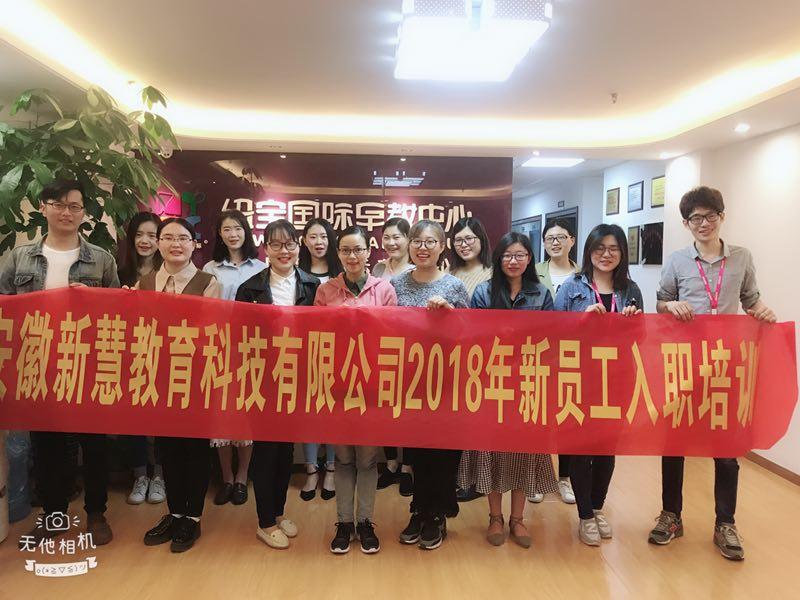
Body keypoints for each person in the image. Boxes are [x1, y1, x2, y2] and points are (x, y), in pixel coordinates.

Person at [649, 186, 775, 561]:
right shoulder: (676, 261)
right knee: (674, 443)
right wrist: (671, 305)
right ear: (686, 224)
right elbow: (660, 302)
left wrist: (763, 312)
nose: (703, 223)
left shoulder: (741, 257)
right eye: (695, 218)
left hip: (726, 365)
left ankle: (725, 523)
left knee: (726, 447)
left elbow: (751, 299)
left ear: (722, 217)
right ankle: (671, 515)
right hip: (684, 364)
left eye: (709, 216)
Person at [0, 180, 119, 549]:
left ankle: (96, 513)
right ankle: (54, 515)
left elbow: (118, 312)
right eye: (58, 204)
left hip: (90, 364)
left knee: (94, 443)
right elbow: (4, 306)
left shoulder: (101, 258)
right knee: (47, 446)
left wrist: (95, 300)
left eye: (74, 206)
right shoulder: (20, 258)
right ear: (44, 207)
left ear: (83, 213)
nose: (66, 212)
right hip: (38, 365)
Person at [460, 232, 558, 548]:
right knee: (492, 450)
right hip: (492, 382)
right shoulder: (483, 292)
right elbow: (474, 336)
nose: (513, 261)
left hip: (528, 382)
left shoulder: (541, 294)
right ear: (498, 258)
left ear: (529, 259)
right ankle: (495, 517)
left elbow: (550, 338)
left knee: (523, 451)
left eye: (520, 255)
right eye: (507, 255)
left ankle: (517, 518)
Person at [555, 223, 643, 547]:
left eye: (613, 249)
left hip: (617, 379)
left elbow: (641, 337)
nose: (606, 254)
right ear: (589, 251)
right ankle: (584, 515)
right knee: (582, 449)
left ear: (622, 253)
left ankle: (597, 507)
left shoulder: (631, 290)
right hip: (580, 378)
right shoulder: (571, 286)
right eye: (599, 248)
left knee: (607, 448)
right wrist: (581, 320)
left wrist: (632, 322)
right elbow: (553, 331)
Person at [235, 219, 321, 550]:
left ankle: (279, 511)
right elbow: (239, 338)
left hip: (298, 379)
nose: (283, 251)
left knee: (286, 451)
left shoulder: (313, 285)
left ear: (298, 247)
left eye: (289, 244)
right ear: (265, 249)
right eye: (276, 244)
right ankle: (265, 521)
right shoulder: (250, 289)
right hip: (263, 381)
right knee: (266, 452)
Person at [314, 226, 398, 554]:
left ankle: (365, 522)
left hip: (372, 387)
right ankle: (344, 522)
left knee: (366, 458)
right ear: (338, 254)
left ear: (368, 252)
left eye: (358, 250)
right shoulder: (326, 291)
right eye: (346, 250)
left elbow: (393, 336)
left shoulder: (384, 289)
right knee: (343, 457)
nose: (352, 256)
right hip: (336, 386)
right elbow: (317, 337)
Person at [140, 218, 220, 553]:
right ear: (158, 243)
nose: (176, 244)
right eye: (169, 237)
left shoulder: (207, 282)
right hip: (157, 378)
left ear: (194, 244)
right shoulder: (144, 283)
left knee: (195, 448)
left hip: (195, 378)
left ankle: (193, 517)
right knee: (167, 448)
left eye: (183, 238)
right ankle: (174, 513)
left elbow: (210, 331)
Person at [392, 220, 469, 551]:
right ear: (409, 245)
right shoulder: (396, 283)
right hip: (409, 382)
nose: (422, 248)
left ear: (442, 246)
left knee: (444, 451)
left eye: (430, 242)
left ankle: (438, 513)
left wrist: (448, 314)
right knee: (417, 451)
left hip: (446, 382)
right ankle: (419, 509)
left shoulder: (454, 286)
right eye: (417, 242)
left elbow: (469, 333)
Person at [202, 209, 266, 506]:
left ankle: (242, 477)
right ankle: (226, 478)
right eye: (226, 229)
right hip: (218, 347)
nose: (233, 234)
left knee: (245, 414)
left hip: (250, 348)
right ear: (219, 234)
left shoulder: (261, 267)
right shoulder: (210, 268)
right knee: (221, 415)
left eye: (238, 228)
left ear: (246, 232)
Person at [118, 212, 166, 505]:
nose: (145, 241)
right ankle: (139, 475)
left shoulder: (167, 273)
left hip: (162, 354)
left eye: (152, 235)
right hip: (128, 354)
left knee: (159, 418)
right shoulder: (120, 272)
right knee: (133, 417)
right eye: (139, 235)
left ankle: (159, 474)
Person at [534, 218, 580, 505]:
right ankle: (538, 476)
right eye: (549, 238)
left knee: (567, 417)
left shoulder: (583, 274)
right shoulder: (534, 272)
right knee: (539, 416)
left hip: (572, 356)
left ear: (571, 241)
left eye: (561, 237)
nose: (555, 242)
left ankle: (565, 478)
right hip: (540, 353)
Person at [297, 218, 341, 501]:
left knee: (334, 411)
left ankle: (332, 467)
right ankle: (312, 469)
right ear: (304, 241)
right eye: (312, 236)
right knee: (310, 412)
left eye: (323, 236)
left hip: (339, 352)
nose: (318, 242)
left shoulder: (342, 272)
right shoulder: (296, 273)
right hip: (306, 351)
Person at [449, 217, 492, 503]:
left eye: (469, 239)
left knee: (479, 421)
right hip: (454, 358)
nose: (464, 245)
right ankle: (460, 477)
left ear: (481, 241)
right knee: (459, 421)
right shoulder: (449, 272)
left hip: (483, 357)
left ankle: (479, 479)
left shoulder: (492, 273)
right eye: (458, 240)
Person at [373, 217, 415, 494]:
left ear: (408, 240)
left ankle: (408, 467)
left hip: (410, 348)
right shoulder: (378, 268)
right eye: (386, 237)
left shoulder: (416, 268)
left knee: (408, 411)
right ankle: (390, 463)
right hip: (382, 347)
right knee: (385, 409)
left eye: (396, 237)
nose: (391, 242)